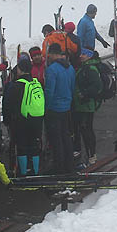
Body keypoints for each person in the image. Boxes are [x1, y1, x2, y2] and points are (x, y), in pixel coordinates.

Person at [3, 57, 45, 176]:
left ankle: (23, 173)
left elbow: (8, 105)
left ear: (20, 70)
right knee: (34, 146)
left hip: (21, 120)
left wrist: (7, 120)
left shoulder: (16, 86)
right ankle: (35, 171)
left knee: (22, 146)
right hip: (36, 119)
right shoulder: (36, 82)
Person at [43, 42, 76, 174]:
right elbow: (73, 86)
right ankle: (69, 164)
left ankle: (59, 166)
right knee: (66, 136)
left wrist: (46, 107)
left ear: (52, 54)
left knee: (56, 139)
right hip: (66, 106)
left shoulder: (52, 70)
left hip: (54, 108)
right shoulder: (70, 67)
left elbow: (49, 91)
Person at [72, 48, 103, 165]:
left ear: (89, 56)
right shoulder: (85, 66)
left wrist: (83, 94)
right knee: (85, 129)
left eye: (84, 54)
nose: (81, 56)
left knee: (87, 130)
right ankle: (90, 154)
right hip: (82, 105)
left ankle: (91, 156)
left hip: (86, 105)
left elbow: (97, 86)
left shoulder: (90, 68)